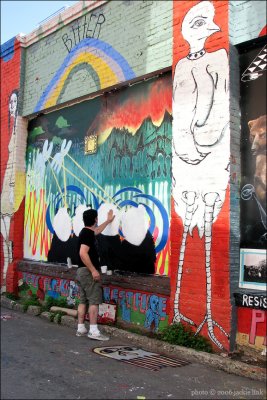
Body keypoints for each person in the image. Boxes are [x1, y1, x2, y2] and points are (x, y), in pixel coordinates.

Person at [76, 208, 115, 340]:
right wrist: (93, 270)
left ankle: (81, 328)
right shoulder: (87, 234)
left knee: (83, 300)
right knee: (94, 300)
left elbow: (97, 231)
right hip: (88, 272)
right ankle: (93, 331)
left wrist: (108, 221)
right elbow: (83, 252)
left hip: (81, 271)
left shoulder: (86, 232)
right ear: (95, 219)